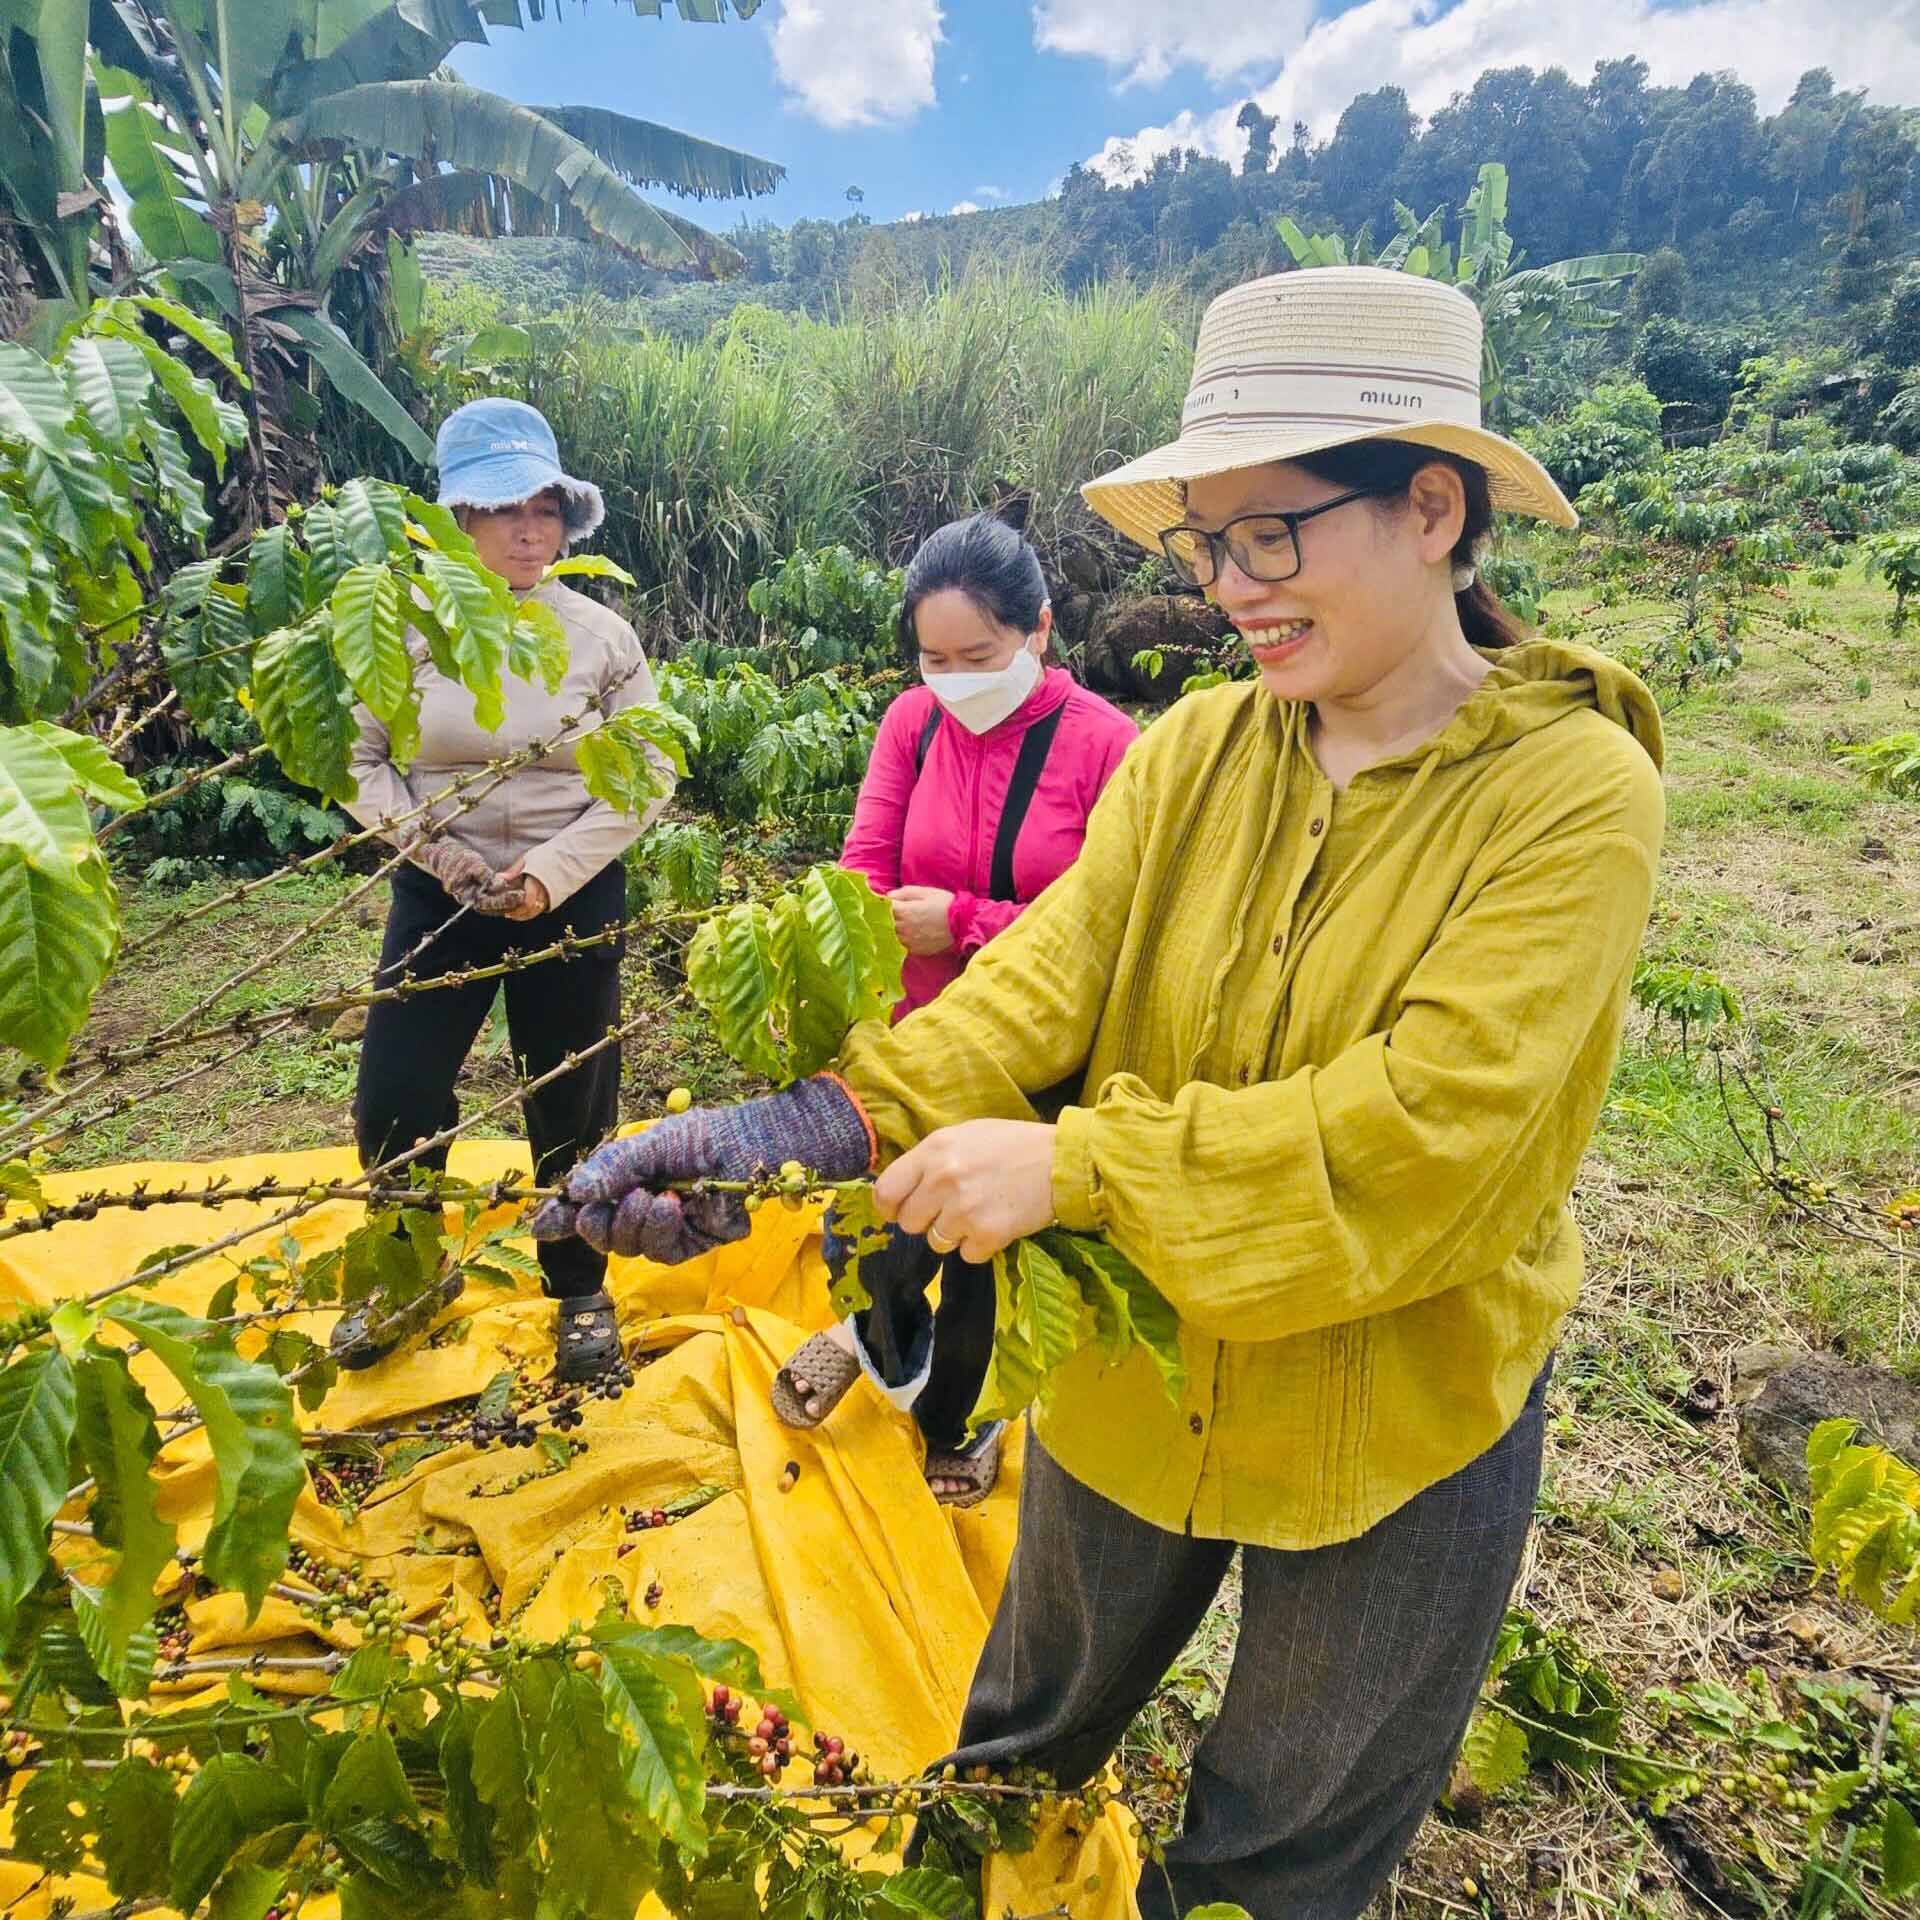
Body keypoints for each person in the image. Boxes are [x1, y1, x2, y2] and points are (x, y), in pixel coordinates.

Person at [534, 267, 1665, 1916]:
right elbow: (1040, 984)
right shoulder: (1204, 750)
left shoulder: (1576, 795)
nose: (1227, 590)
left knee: (1276, 1847)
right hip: (1148, 1367)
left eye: (1265, 536)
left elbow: (1438, 1125)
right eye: (1206, 545)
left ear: (1434, 505)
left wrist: (1080, 1173)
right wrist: (820, 1128)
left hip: (1402, 1404)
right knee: (1018, 1738)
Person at [773, 512, 1137, 1507]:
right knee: (865, 1230)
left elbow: (1105, 932)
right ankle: (865, 1334)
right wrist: (846, 960)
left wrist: (968, 923)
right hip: (917, 1038)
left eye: (977, 655)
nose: (955, 677)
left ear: (1040, 631)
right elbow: (863, 868)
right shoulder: (913, 723)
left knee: (985, 1255)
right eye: (934, 657)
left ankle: (965, 1415)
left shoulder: (1111, 750)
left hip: (1037, 1060)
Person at [336, 397, 674, 1385]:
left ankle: (578, 1290)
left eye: (546, 508)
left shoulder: (602, 636)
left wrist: (552, 874)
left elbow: (648, 770)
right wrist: (441, 859)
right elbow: (360, 759)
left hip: (571, 895)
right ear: (458, 521)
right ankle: (406, 1273)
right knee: (396, 1090)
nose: (530, 530)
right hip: (441, 891)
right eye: (503, 508)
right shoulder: (400, 632)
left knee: (571, 1092)